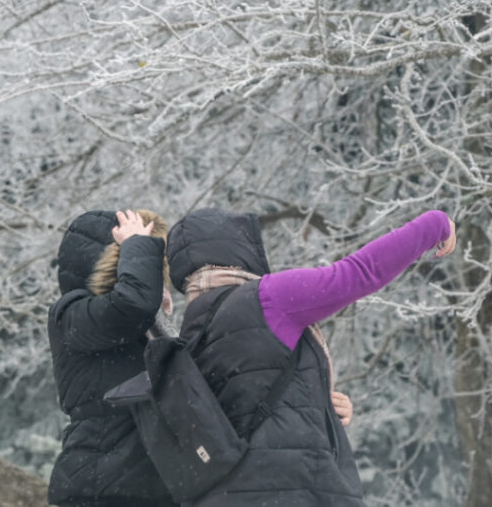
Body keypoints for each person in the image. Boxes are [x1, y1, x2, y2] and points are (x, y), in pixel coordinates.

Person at [165, 208, 457, 506]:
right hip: (295, 489)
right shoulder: (267, 298)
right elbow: (358, 273)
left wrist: (317, 402)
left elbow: (237, 409)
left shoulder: (187, 338)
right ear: (240, 247)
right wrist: (433, 225)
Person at [47, 209, 178, 507]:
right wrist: (140, 256)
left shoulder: (144, 322)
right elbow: (131, 306)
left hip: (142, 485)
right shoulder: (71, 314)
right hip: (101, 486)